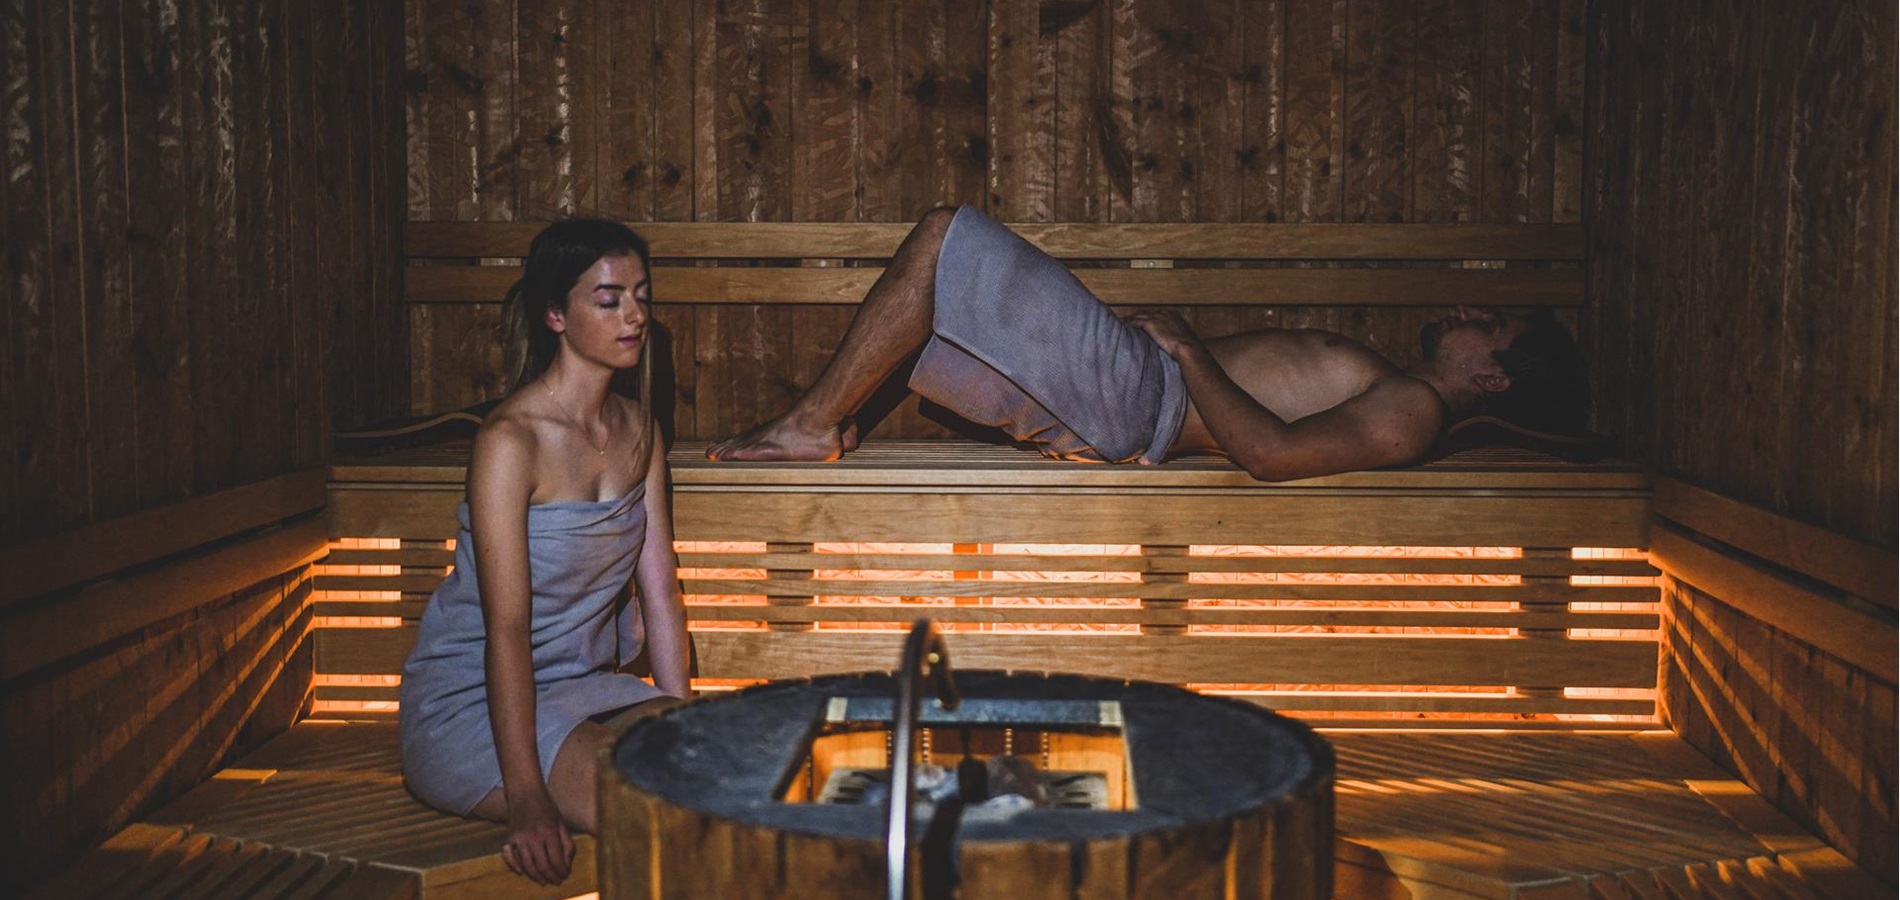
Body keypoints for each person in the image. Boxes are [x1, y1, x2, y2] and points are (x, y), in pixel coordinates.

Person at [708, 205, 1587, 480]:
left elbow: (1275, 454)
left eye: (1490, 325)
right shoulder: (1403, 392)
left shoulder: (1412, 413)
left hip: (1147, 399)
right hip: (1135, 399)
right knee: (925, 317)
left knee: (944, 236)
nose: (1470, 312)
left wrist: (1191, 352)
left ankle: (813, 424)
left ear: (1496, 377)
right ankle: (822, 421)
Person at [399, 220, 691, 887]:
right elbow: (505, 629)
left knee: (729, 770)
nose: (636, 315)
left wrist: (684, 721)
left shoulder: (639, 430)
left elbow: (662, 594)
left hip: (584, 690)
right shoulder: (511, 442)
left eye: (642, 295)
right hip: (475, 704)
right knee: (660, 812)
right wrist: (525, 796)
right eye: (610, 298)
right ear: (556, 314)